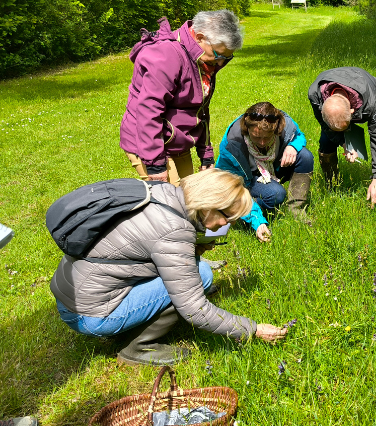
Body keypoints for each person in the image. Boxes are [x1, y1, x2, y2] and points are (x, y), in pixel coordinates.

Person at [49, 170, 288, 366]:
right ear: (209, 205)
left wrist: (192, 250)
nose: (226, 226)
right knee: (201, 275)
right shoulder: (175, 231)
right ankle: (137, 348)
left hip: (75, 293)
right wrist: (252, 330)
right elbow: (195, 309)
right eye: (227, 218)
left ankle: (129, 326)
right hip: (89, 314)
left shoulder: (166, 192)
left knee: (191, 270)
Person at [119, 10, 243, 186]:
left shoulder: (203, 61)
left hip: (177, 141)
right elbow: (148, 111)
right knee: (172, 203)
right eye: (219, 55)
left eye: (227, 57)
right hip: (149, 143)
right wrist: (155, 164)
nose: (221, 63)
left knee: (191, 195)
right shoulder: (167, 55)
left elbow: (200, 110)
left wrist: (206, 154)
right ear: (200, 37)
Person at [307, 67, 376, 206]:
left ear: (352, 113)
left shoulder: (370, 99)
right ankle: (332, 185)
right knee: (326, 141)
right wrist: (344, 144)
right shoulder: (315, 95)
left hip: (375, 97)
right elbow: (325, 127)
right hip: (345, 105)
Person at [217, 102, 313, 232]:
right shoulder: (232, 145)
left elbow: (299, 135)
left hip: (275, 168)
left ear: (276, 128)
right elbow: (230, 187)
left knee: (305, 156)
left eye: (267, 137)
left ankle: (296, 209)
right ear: (247, 128)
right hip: (249, 179)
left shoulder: (285, 125)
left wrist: (293, 146)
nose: (262, 143)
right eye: (256, 137)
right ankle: (247, 211)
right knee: (276, 194)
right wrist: (257, 221)